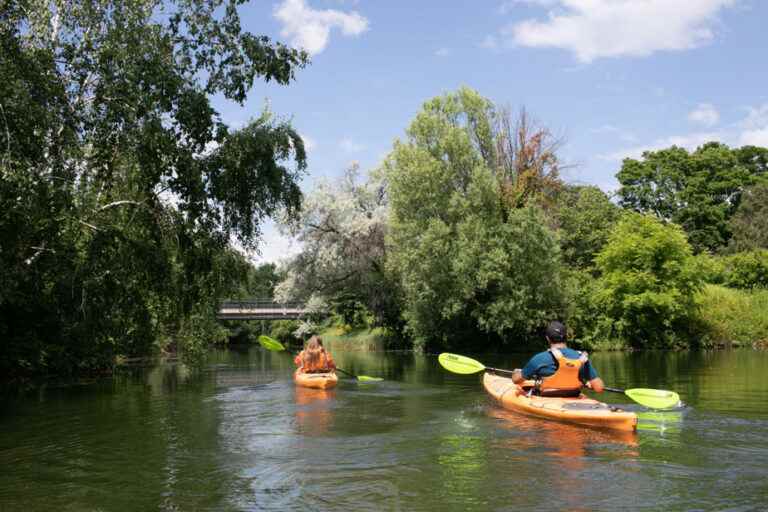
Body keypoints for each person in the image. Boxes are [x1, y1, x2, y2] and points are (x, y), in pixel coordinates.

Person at [511, 320, 604, 397]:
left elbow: (516, 380)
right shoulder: (580, 357)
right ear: (566, 336)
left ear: (547, 338)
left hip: (546, 398)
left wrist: (516, 373)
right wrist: (588, 383)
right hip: (573, 396)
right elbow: (599, 388)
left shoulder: (539, 359)